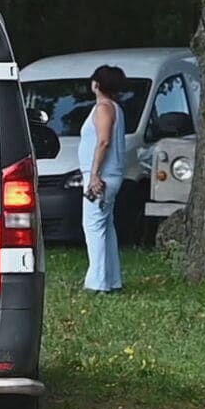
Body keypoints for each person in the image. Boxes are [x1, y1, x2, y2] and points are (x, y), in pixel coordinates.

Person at [79, 63, 127, 294]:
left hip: (102, 176)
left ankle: (97, 282)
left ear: (96, 85)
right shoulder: (116, 108)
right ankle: (112, 278)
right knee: (105, 226)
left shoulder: (103, 108)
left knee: (93, 227)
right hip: (112, 175)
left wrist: (94, 174)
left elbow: (103, 141)